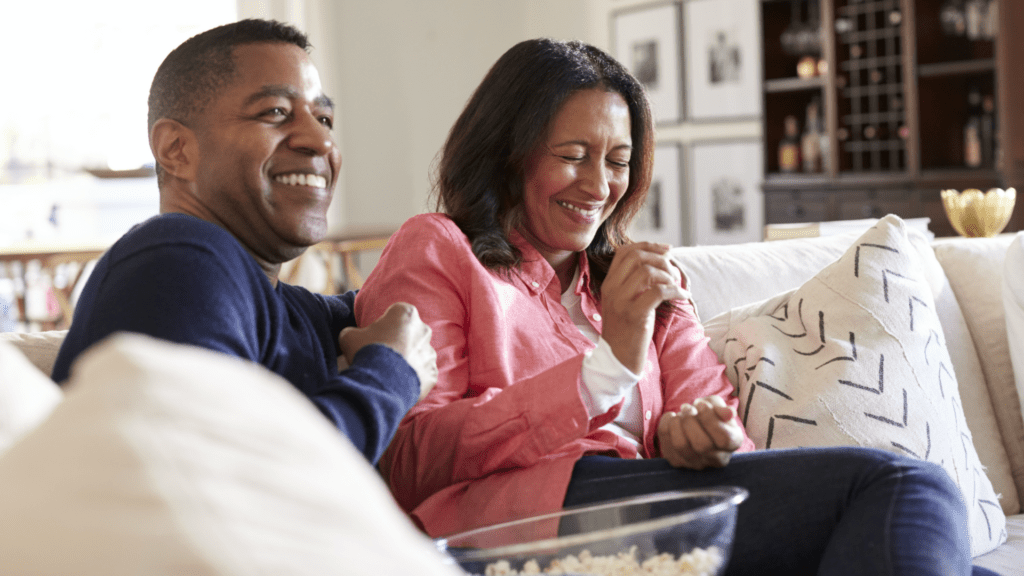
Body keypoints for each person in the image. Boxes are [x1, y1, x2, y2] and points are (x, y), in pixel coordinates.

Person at [354, 38, 994, 575]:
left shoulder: (641, 282)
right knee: (911, 486)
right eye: (573, 156)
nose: (600, 185)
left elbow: (728, 439)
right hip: (522, 528)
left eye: (618, 161)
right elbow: (408, 457)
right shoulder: (439, 250)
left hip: (662, 511)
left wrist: (706, 439)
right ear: (505, 150)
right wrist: (605, 369)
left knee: (960, 559)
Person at [51, 19, 437, 466]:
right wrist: (390, 374)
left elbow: (406, 304)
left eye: (324, 118)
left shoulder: (282, 304)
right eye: (274, 112)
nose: (321, 139)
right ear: (176, 149)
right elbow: (237, 480)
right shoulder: (176, 259)